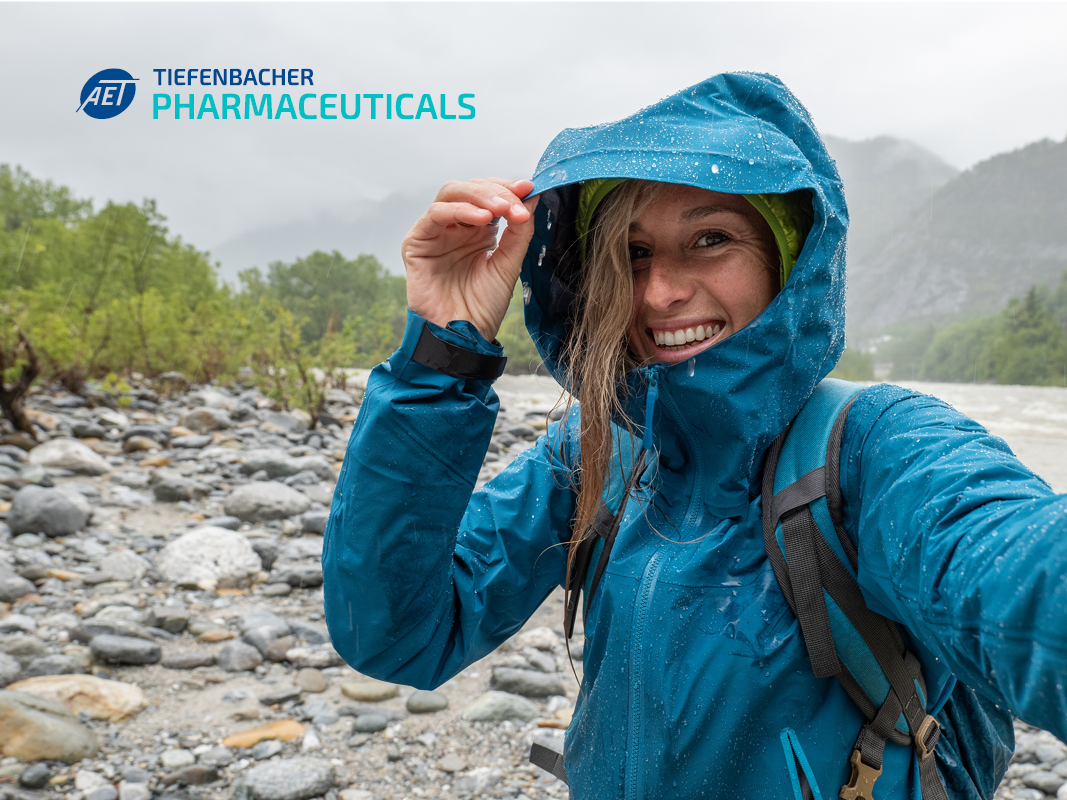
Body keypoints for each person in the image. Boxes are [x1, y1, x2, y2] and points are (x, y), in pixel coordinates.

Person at [322, 73, 1067, 799]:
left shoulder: (874, 450)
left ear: (789, 262)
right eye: (633, 252)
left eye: (710, 239)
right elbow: (400, 634)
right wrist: (440, 358)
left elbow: (1018, 571)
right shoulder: (600, 452)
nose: (657, 292)